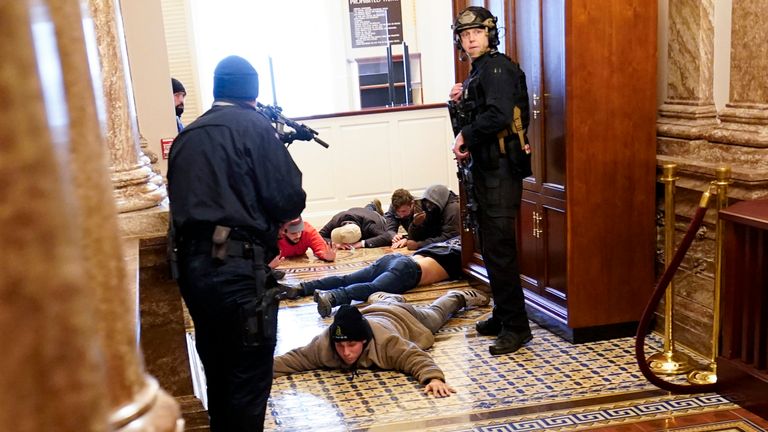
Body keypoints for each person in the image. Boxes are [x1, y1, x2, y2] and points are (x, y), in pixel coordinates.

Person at [167, 55, 306, 431]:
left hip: (193, 273)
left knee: (218, 374)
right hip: (239, 269)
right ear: (253, 91)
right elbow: (288, 199)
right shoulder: (255, 127)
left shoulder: (187, 136)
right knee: (247, 379)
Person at [449, 6, 533, 356]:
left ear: (489, 34)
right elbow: (481, 111)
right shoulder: (478, 72)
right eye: (466, 35)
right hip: (485, 171)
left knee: (500, 251)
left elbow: (498, 115)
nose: (471, 40)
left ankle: (517, 327)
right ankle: (502, 315)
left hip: (499, 171)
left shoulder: (496, 67)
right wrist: (458, 100)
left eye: (477, 33)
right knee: (490, 247)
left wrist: (465, 133)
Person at [273, 289, 490, 397]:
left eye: (352, 345)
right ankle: (382, 297)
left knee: (437, 314)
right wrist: (257, 371)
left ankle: (459, 295)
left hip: (405, 318)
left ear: (365, 341)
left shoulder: (387, 343)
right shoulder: (324, 344)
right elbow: (295, 358)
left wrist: (433, 378)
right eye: (341, 346)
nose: (346, 353)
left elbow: (413, 356)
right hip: (372, 313)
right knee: (384, 301)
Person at [285, 237, 465, 317]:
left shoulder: (447, 244)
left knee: (347, 278)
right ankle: (333, 297)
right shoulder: (465, 255)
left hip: (395, 258)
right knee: (373, 288)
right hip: (410, 270)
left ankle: (303, 287)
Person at [405, 184, 460, 250]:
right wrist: (415, 225)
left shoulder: (454, 209)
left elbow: (450, 237)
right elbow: (416, 237)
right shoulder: (431, 208)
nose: (428, 206)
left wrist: (419, 245)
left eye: (430, 203)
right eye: (426, 202)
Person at [318, 207, 392, 250]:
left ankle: (374, 207)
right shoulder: (336, 220)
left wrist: (361, 243)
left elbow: (387, 237)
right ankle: (371, 205)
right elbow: (318, 236)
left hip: (376, 217)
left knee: (383, 218)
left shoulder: (368, 224)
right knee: (368, 208)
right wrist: (336, 244)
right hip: (357, 211)